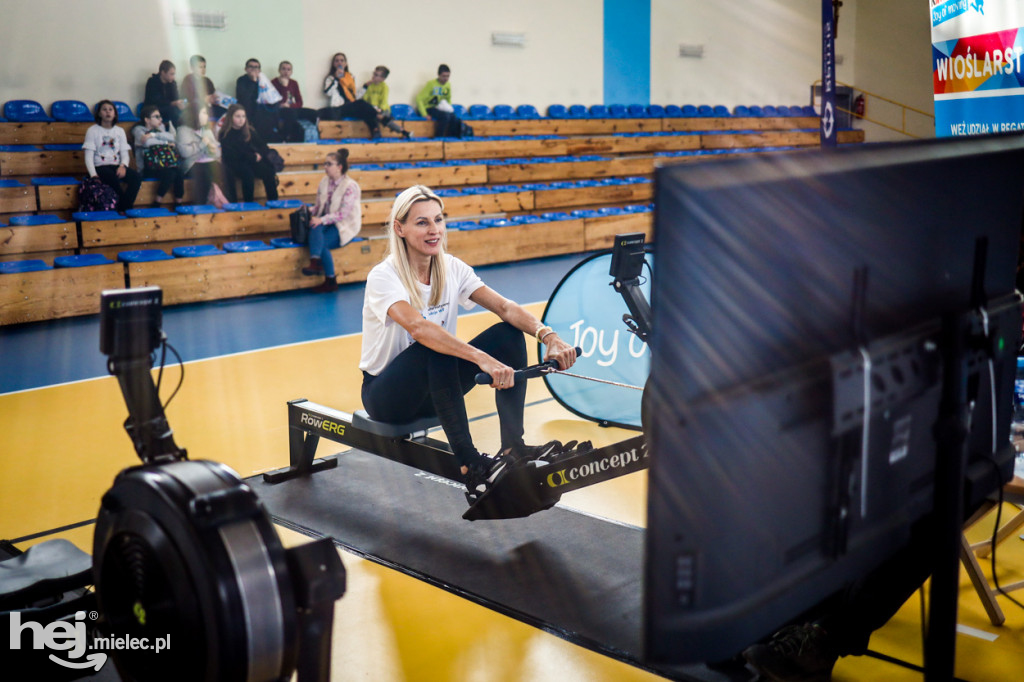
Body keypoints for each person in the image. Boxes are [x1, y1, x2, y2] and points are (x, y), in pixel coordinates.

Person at [359, 185, 577, 494]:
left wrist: (548, 335)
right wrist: (481, 359)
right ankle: (468, 463)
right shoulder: (384, 276)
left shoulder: (452, 267)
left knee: (508, 335)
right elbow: (419, 329)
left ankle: (513, 446)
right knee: (435, 345)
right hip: (388, 397)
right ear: (400, 228)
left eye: (439, 220)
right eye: (422, 222)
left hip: (438, 389)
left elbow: (504, 307)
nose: (435, 230)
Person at [300, 149, 361, 293]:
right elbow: (320, 206)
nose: (325, 167)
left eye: (329, 164)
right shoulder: (324, 182)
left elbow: (342, 214)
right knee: (315, 226)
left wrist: (320, 219)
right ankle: (325, 274)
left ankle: (320, 268)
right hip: (327, 222)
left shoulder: (350, 186)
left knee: (320, 239)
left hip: (344, 225)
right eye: (324, 163)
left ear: (339, 167)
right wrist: (309, 210)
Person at [82, 100, 141, 212]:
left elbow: (124, 153)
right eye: (104, 109)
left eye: (110, 109)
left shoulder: (120, 131)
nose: (108, 112)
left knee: (136, 177)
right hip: (100, 167)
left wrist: (123, 166)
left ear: (114, 113)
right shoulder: (92, 130)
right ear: (99, 113)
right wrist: (93, 175)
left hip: (116, 165)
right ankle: (125, 208)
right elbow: (88, 156)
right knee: (111, 177)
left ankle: (124, 207)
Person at [217, 103, 279, 203]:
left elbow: (263, 146)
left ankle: (274, 202)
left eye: (243, 116)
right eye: (238, 116)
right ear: (230, 117)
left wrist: (259, 154)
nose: (241, 119)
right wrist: (253, 157)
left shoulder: (249, 130)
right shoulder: (225, 134)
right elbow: (233, 155)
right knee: (247, 174)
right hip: (234, 163)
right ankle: (248, 204)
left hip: (251, 159)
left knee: (268, 172)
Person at [318, 52, 382, 138]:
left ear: (346, 63)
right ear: (333, 64)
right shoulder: (331, 78)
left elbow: (354, 96)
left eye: (342, 60)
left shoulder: (350, 77)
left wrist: (366, 86)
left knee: (365, 109)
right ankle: (379, 117)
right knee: (362, 104)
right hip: (340, 108)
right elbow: (328, 93)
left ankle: (376, 131)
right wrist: (337, 78)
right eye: (337, 61)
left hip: (351, 105)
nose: (339, 63)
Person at [131, 105, 184, 206]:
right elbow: (147, 143)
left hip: (164, 163)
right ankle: (157, 201)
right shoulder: (138, 130)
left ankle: (178, 202)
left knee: (179, 172)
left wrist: (153, 135)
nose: (161, 119)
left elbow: (172, 137)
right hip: (149, 166)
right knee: (170, 173)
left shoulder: (161, 127)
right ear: (147, 119)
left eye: (160, 116)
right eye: (157, 117)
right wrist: (165, 143)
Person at [176, 103, 224, 205]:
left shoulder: (206, 131)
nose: (207, 116)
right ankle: (201, 205)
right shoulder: (183, 130)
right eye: (204, 113)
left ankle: (229, 204)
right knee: (205, 171)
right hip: (191, 164)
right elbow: (184, 153)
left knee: (225, 170)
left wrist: (213, 149)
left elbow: (217, 154)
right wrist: (202, 144)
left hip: (208, 162)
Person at [235, 57, 285, 142]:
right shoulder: (241, 80)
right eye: (251, 67)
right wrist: (254, 82)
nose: (254, 69)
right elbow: (244, 97)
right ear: (246, 69)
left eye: (256, 67)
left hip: (263, 109)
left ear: (259, 70)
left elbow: (270, 95)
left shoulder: (263, 80)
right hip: (249, 108)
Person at [415, 63, 467, 138]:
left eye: (448, 76)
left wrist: (449, 109)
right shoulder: (431, 84)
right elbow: (419, 98)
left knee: (454, 117)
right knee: (445, 116)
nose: (446, 78)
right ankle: (439, 138)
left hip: (439, 107)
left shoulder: (448, 85)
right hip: (428, 107)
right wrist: (424, 114)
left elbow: (448, 99)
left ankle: (450, 139)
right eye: (443, 76)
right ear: (438, 75)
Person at [271, 60, 317, 140]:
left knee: (313, 112)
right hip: (279, 110)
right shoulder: (273, 82)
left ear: (291, 72)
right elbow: (271, 101)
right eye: (283, 69)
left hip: (292, 108)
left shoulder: (294, 83)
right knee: (291, 114)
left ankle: (312, 137)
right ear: (279, 70)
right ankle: (284, 138)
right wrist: (284, 86)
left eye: (288, 69)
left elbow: (300, 102)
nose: (286, 72)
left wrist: (290, 105)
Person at [361, 66, 411, 139]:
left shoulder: (384, 87)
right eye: (374, 73)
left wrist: (379, 110)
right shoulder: (370, 85)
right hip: (372, 109)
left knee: (377, 115)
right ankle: (403, 131)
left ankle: (377, 131)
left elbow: (384, 102)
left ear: (382, 78)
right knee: (372, 114)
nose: (373, 76)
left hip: (383, 110)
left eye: (376, 75)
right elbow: (365, 98)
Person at [181, 55, 227, 119]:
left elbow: (213, 94)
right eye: (200, 67)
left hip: (209, 106)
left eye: (204, 67)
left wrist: (215, 98)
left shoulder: (207, 80)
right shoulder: (188, 80)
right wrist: (204, 99)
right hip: (196, 108)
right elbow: (187, 99)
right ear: (192, 68)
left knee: (227, 110)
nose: (203, 69)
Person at [144, 60, 186, 127]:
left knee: (185, 109)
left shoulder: (172, 83)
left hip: (168, 109)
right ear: (163, 72)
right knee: (173, 110)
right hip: (153, 109)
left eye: (174, 74)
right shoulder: (152, 82)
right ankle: (179, 131)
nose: (173, 77)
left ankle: (188, 130)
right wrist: (173, 103)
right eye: (171, 74)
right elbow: (157, 100)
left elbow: (176, 98)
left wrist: (180, 103)